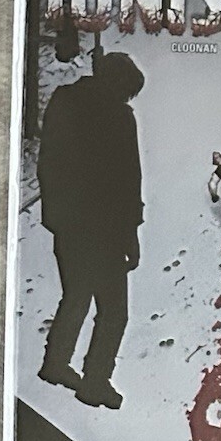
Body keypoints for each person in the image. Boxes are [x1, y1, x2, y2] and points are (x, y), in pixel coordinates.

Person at [35, 50, 146, 410]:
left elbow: (48, 161)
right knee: (114, 311)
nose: (128, 99)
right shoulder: (120, 117)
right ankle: (95, 382)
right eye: (128, 92)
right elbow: (128, 181)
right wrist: (131, 235)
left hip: (68, 224)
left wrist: (55, 215)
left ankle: (55, 364)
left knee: (77, 296)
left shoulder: (65, 101)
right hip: (105, 231)